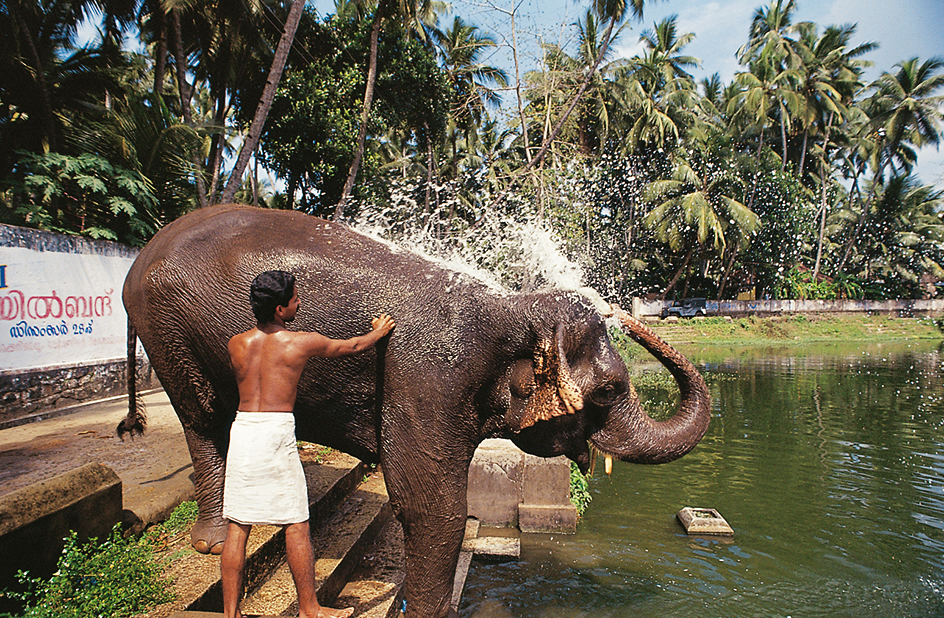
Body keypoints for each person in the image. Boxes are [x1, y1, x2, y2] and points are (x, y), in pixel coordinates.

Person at [222, 270, 395, 618]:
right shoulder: (301, 342)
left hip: (242, 430)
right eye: (295, 299)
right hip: (274, 432)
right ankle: (309, 609)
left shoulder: (236, 343)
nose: (300, 302)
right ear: (280, 309)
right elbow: (353, 346)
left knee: (237, 526)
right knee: (296, 523)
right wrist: (380, 330)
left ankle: (231, 614)